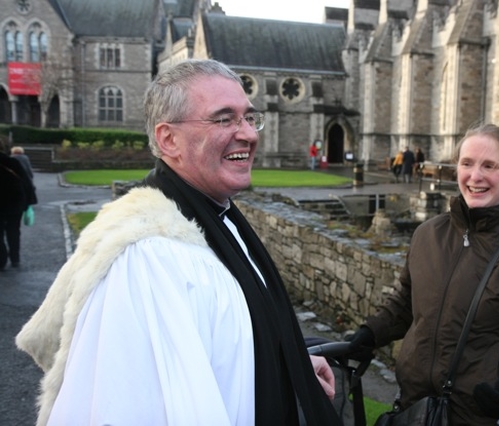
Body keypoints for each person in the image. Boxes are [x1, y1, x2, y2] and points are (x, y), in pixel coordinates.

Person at [16, 59, 340, 426]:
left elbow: (223, 341)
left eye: (250, 117)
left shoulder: (218, 218)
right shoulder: (149, 258)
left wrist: (290, 360)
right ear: (169, 139)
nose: (248, 134)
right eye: (224, 119)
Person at [347, 124, 499, 425]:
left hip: (492, 418)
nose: (475, 176)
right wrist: (370, 332)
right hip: (420, 410)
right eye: (467, 163)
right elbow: (406, 302)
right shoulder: (429, 235)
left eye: (490, 166)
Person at [0, 138, 36, 270]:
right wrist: (29, 202)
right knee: (14, 230)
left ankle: (1, 260)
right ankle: (15, 258)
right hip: (15, 201)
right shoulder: (13, 162)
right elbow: (26, 182)